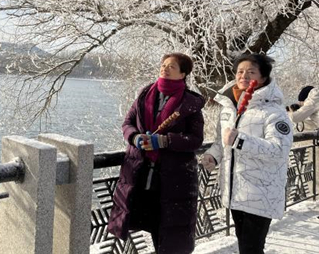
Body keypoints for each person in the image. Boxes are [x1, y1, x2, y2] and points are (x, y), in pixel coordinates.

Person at [107, 53, 205, 254]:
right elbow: (128, 123)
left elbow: (195, 140)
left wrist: (164, 141)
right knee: (148, 224)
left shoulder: (189, 103)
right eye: (163, 65)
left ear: (183, 74)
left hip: (173, 181)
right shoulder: (146, 94)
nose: (165, 68)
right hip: (140, 176)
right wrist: (135, 138)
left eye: (172, 66)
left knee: (169, 238)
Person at [202, 53, 293, 254]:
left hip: (261, 192)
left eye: (251, 72)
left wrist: (240, 141)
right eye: (240, 71)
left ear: (263, 78)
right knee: (245, 245)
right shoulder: (229, 107)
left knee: (251, 248)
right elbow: (222, 141)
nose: (243, 75)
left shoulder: (274, 112)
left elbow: (279, 150)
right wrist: (213, 156)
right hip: (235, 191)